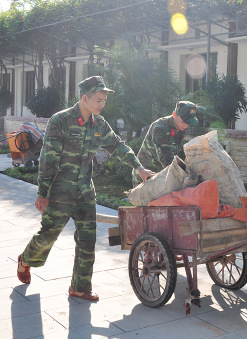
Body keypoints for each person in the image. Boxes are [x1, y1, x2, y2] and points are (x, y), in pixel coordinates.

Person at [16, 75, 154, 301]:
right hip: (60, 192)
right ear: (84, 98)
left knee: (87, 240)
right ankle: (26, 259)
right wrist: (43, 193)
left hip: (85, 192)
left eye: (104, 100)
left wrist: (139, 168)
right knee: (48, 235)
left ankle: (79, 287)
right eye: (98, 100)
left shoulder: (99, 124)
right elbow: (48, 159)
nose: (102, 104)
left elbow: (117, 145)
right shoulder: (61, 120)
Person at [131, 100, 198, 187]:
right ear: (174, 115)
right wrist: (182, 175)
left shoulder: (180, 128)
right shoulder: (159, 128)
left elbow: (175, 155)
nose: (186, 125)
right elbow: (166, 157)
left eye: (188, 122)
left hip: (162, 175)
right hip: (146, 175)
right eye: (183, 121)